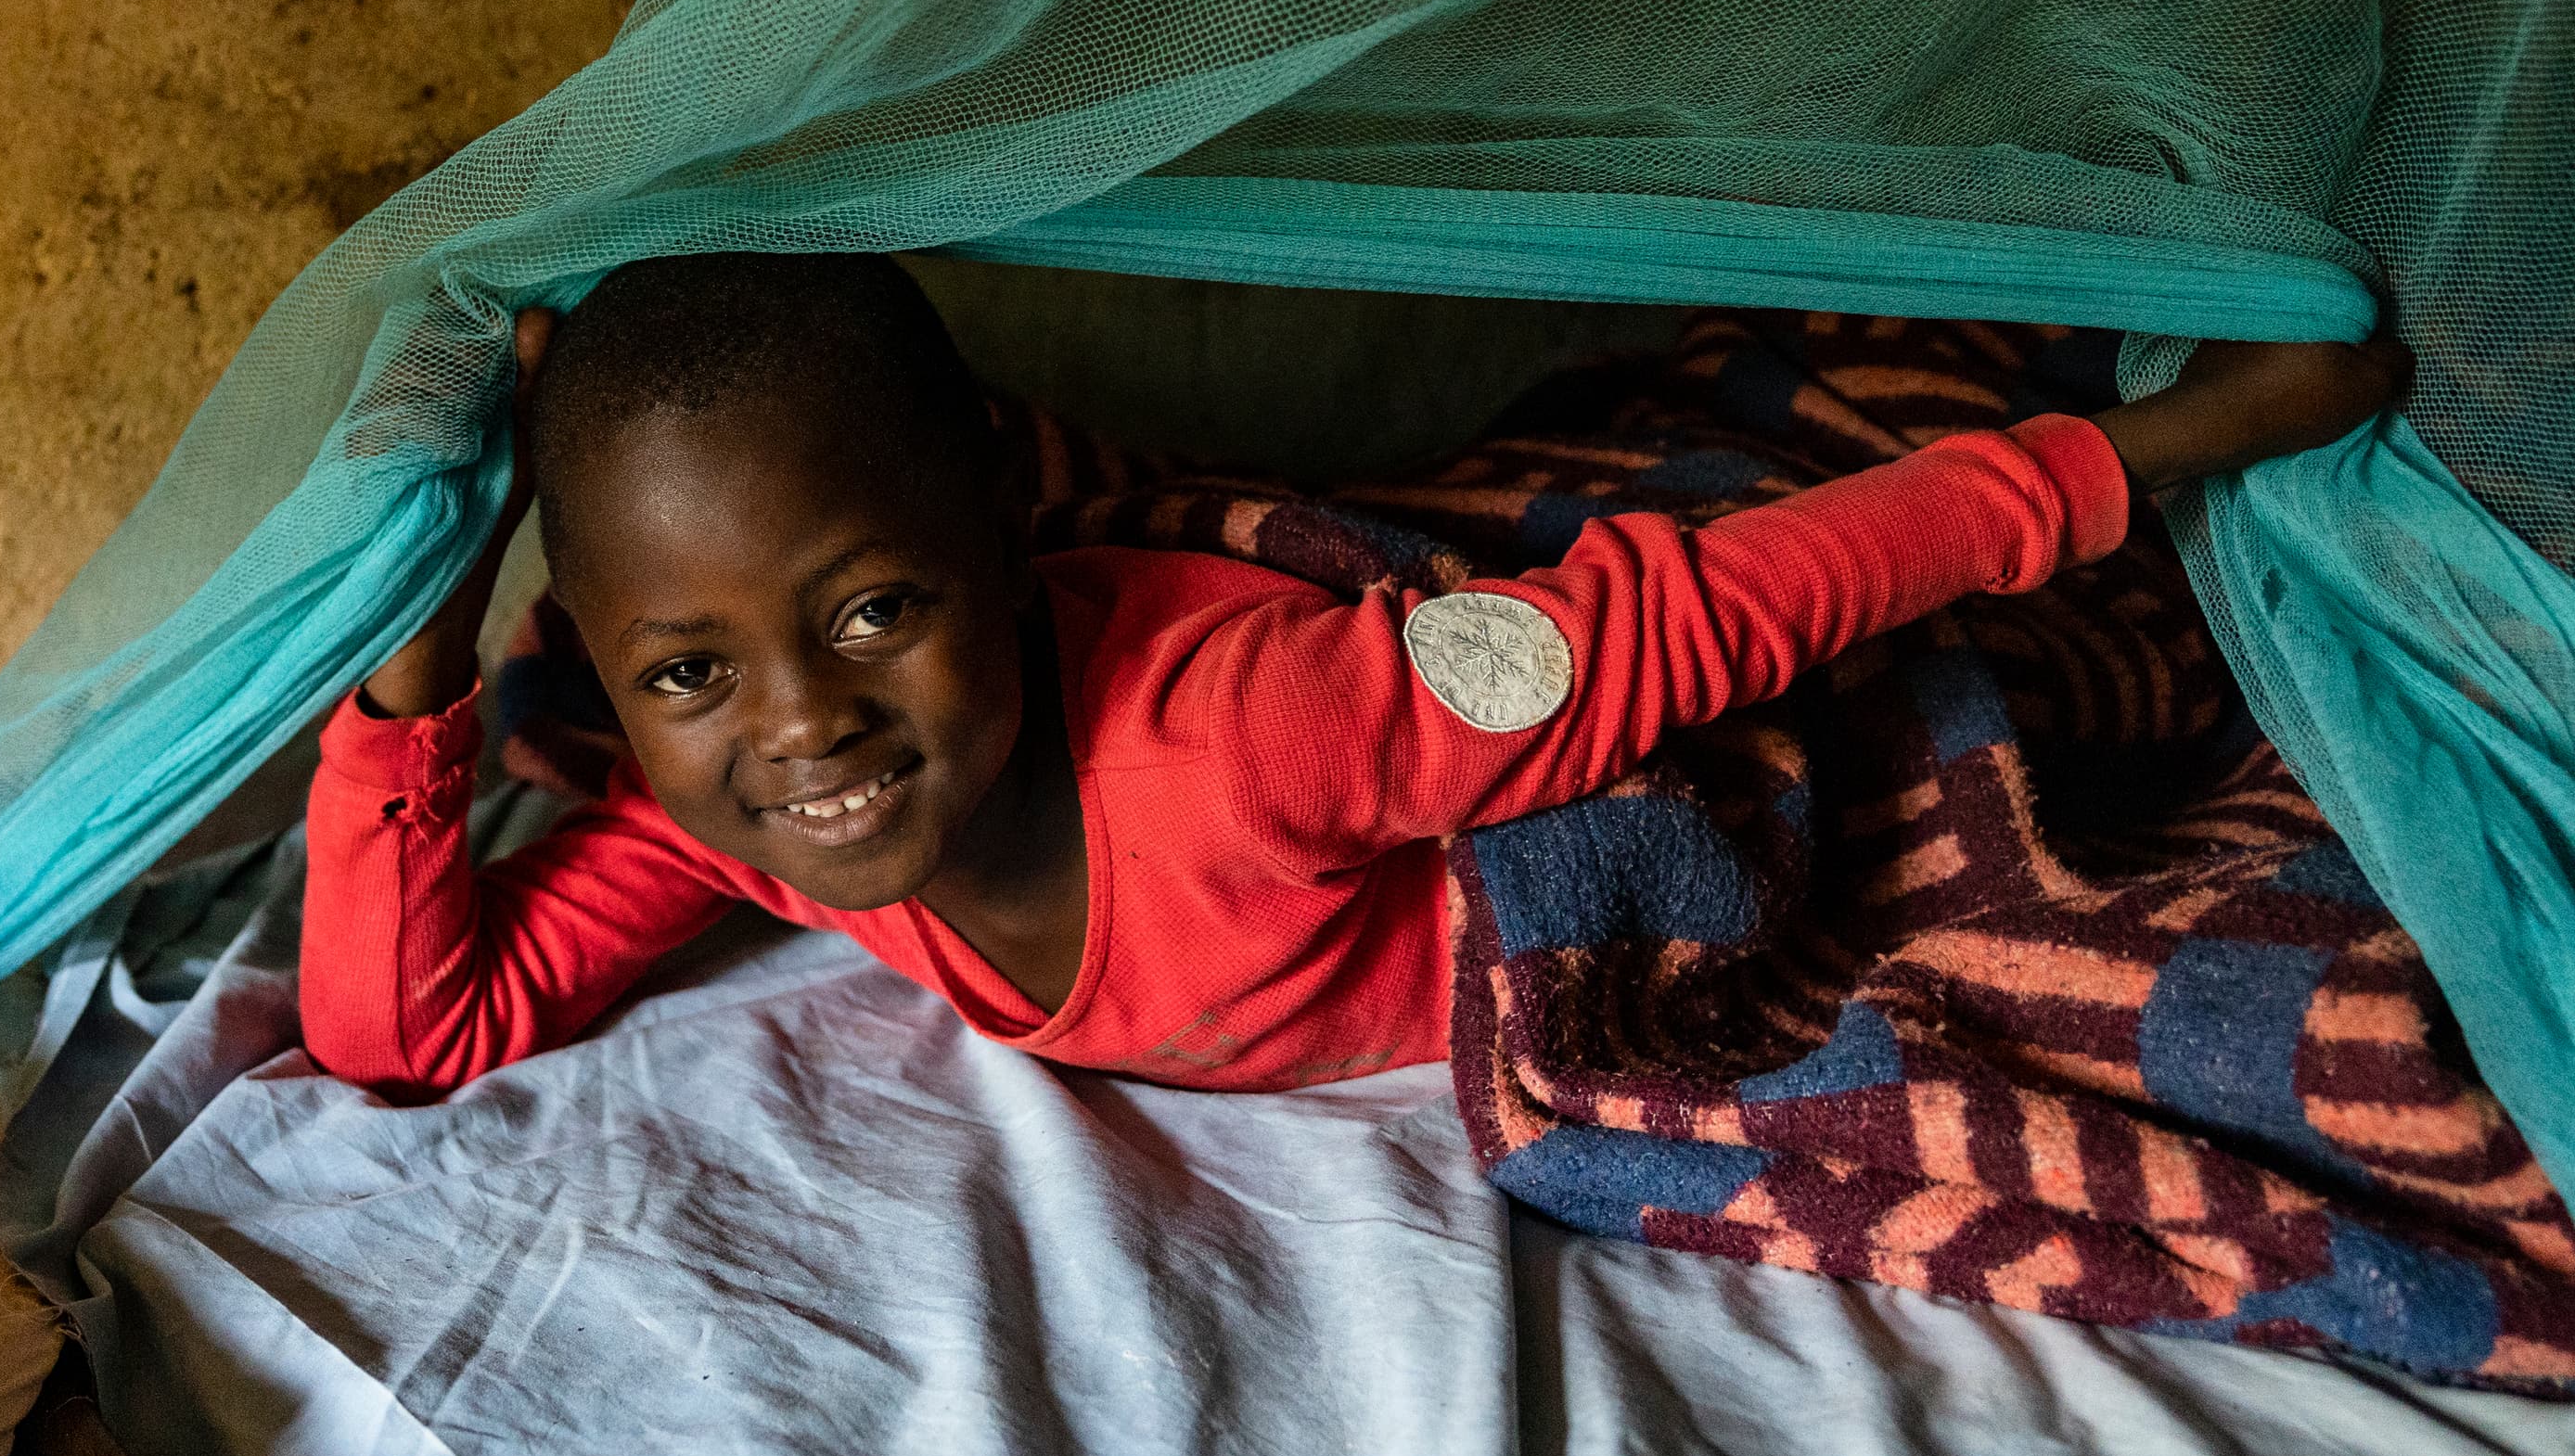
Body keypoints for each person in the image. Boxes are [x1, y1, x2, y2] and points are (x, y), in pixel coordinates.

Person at [298, 255, 2407, 1101]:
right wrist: (422, 639)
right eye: (689, 664)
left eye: (872, 609)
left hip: (1538, 654)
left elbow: (1686, 617)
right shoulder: (759, 823)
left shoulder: (1248, 740)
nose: (807, 719)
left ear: (1005, 533)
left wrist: (2160, 447)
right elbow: (410, 1027)